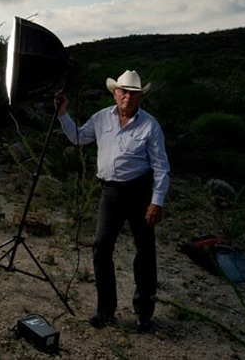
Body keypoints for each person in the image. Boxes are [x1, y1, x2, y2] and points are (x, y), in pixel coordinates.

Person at [55, 70, 170, 333]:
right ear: (115, 93)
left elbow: (162, 167)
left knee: (145, 252)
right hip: (111, 193)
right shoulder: (101, 118)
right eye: (122, 91)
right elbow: (78, 137)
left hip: (140, 191)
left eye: (132, 93)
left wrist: (157, 201)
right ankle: (105, 310)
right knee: (101, 246)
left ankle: (144, 313)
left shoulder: (150, 125)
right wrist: (62, 114)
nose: (126, 97)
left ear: (140, 96)